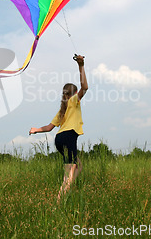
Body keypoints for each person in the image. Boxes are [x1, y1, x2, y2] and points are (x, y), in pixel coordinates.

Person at [29, 54, 88, 201]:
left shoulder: (62, 109)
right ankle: (59, 200)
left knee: (78, 166)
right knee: (68, 174)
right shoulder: (74, 101)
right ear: (74, 93)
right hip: (68, 137)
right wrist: (81, 66)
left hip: (60, 139)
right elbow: (85, 87)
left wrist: (36, 129)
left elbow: (49, 127)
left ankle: (69, 189)